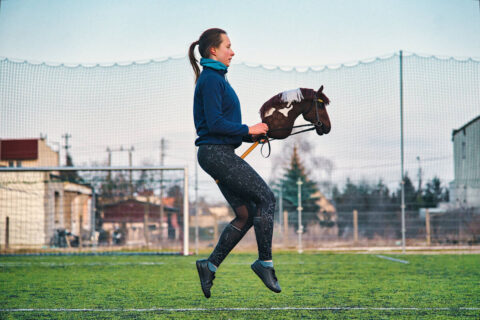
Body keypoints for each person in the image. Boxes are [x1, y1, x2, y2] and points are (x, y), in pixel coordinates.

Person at [189, 28, 281, 299]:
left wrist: (250, 133)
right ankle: (264, 263)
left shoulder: (216, 79)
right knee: (267, 198)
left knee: (246, 213)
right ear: (213, 51)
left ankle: (209, 265)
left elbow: (220, 126)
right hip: (216, 154)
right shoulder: (211, 80)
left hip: (218, 153)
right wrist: (247, 130)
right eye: (228, 46)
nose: (233, 51)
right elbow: (216, 124)